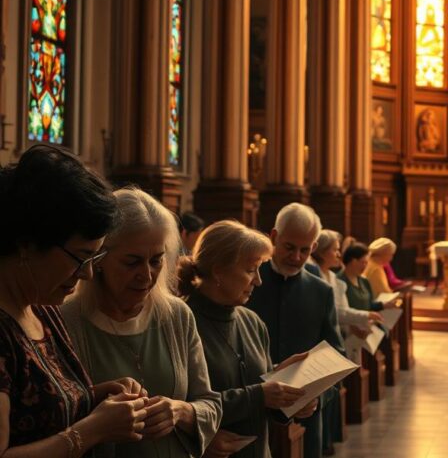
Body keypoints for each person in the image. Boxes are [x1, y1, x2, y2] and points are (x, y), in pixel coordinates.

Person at [0, 145, 149, 456]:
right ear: (27, 243)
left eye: (97, 258)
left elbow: (32, 413)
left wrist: (93, 398)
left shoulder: (42, 308)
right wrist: (94, 429)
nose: (88, 274)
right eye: (81, 258)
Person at [62, 188, 222, 458]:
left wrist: (180, 411)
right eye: (132, 262)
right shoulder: (67, 321)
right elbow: (54, 418)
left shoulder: (177, 316)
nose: (146, 275)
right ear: (99, 259)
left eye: (156, 261)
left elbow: (210, 404)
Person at [180, 220, 315, 458]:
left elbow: (258, 390)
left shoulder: (252, 321)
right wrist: (260, 394)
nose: (258, 281)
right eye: (251, 270)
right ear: (218, 270)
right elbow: (178, 403)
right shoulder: (181, 321)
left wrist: (289, 397)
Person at [245, 203, 343, 458]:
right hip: (251, 416)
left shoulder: (322, 291)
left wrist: (317, 399)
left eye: (305, 249)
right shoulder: (248, 281)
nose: (297, 257)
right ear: (274, 237)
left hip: (305, 421)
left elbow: (336, 357)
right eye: (289, 247)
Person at [308, 230, 382, 352]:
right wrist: (365, 315)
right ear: (321, 251)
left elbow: (341, 310)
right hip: (318, 341)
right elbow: (335, 312)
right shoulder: (313, 276)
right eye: (335, 250)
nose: (339, 254)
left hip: (339, 336)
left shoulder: (332, 276)